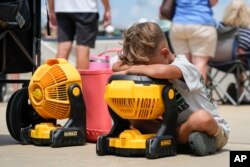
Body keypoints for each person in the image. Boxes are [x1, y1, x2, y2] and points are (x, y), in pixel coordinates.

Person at [112, 21, 230, 156]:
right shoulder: (153, 62)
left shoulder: (185, 66)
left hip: (213, 129)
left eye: (147, 66)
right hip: (176, 127)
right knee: (138, 121)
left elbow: (160, 71)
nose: (145, 70)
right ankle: (183, 141)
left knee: (201, 118)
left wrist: (133, 69)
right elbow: (115, 66)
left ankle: (203, 141)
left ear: (165, 53)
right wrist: (130, 63)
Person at [48, 0, 111, 69]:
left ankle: (57, 78)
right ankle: (81, 79)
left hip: (62, 8)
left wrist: (51, 10)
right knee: (83, 48)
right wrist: (107, 9)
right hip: (86, 8)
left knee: (63, 47)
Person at [169, 0, 218, 82]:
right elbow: (213, 2)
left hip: (178, 24)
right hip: (201, 23)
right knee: (199, 63)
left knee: (183, 64)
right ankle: (197, 94)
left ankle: (183, 94)